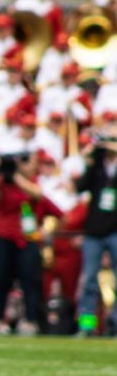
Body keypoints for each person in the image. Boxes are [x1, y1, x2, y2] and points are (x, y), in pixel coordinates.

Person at [0, 152, 61, 335]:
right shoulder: (2, 183)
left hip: (27, 238)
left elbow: (38, 195)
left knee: (29, 280)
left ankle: (31, 320)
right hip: (3, 236)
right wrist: (1, 176)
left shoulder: (30, 182)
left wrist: (16, 176)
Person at [74, 129, 117, 336]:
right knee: (89, 280)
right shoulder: (97, 166)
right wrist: (91, 159)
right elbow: (80, 186)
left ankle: (115, 323)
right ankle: (87, 324)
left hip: (115, 231)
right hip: (94, 232)